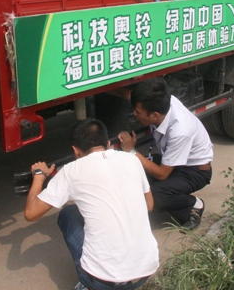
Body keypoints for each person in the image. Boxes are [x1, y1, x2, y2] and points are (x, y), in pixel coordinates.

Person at [24, 118, 159, 290]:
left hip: (101, 280)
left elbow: (30, 213)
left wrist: (38, 176)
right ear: (108, 143)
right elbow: (149, 205)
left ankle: (89, 285)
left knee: (68, 214)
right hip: (144, 270)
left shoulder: (71, 171)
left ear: (75, 151)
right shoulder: (132, 160)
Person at [118, 77, 213, 231]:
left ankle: (193, 206)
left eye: (138, 112)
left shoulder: (180, 130)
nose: (134, 114)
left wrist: (132, 152)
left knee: (155, 196)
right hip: (176, 161)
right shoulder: (161, 102)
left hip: (195, 171)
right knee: (137, 174)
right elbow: (129, 95)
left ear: (154, 115)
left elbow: (162, 174)